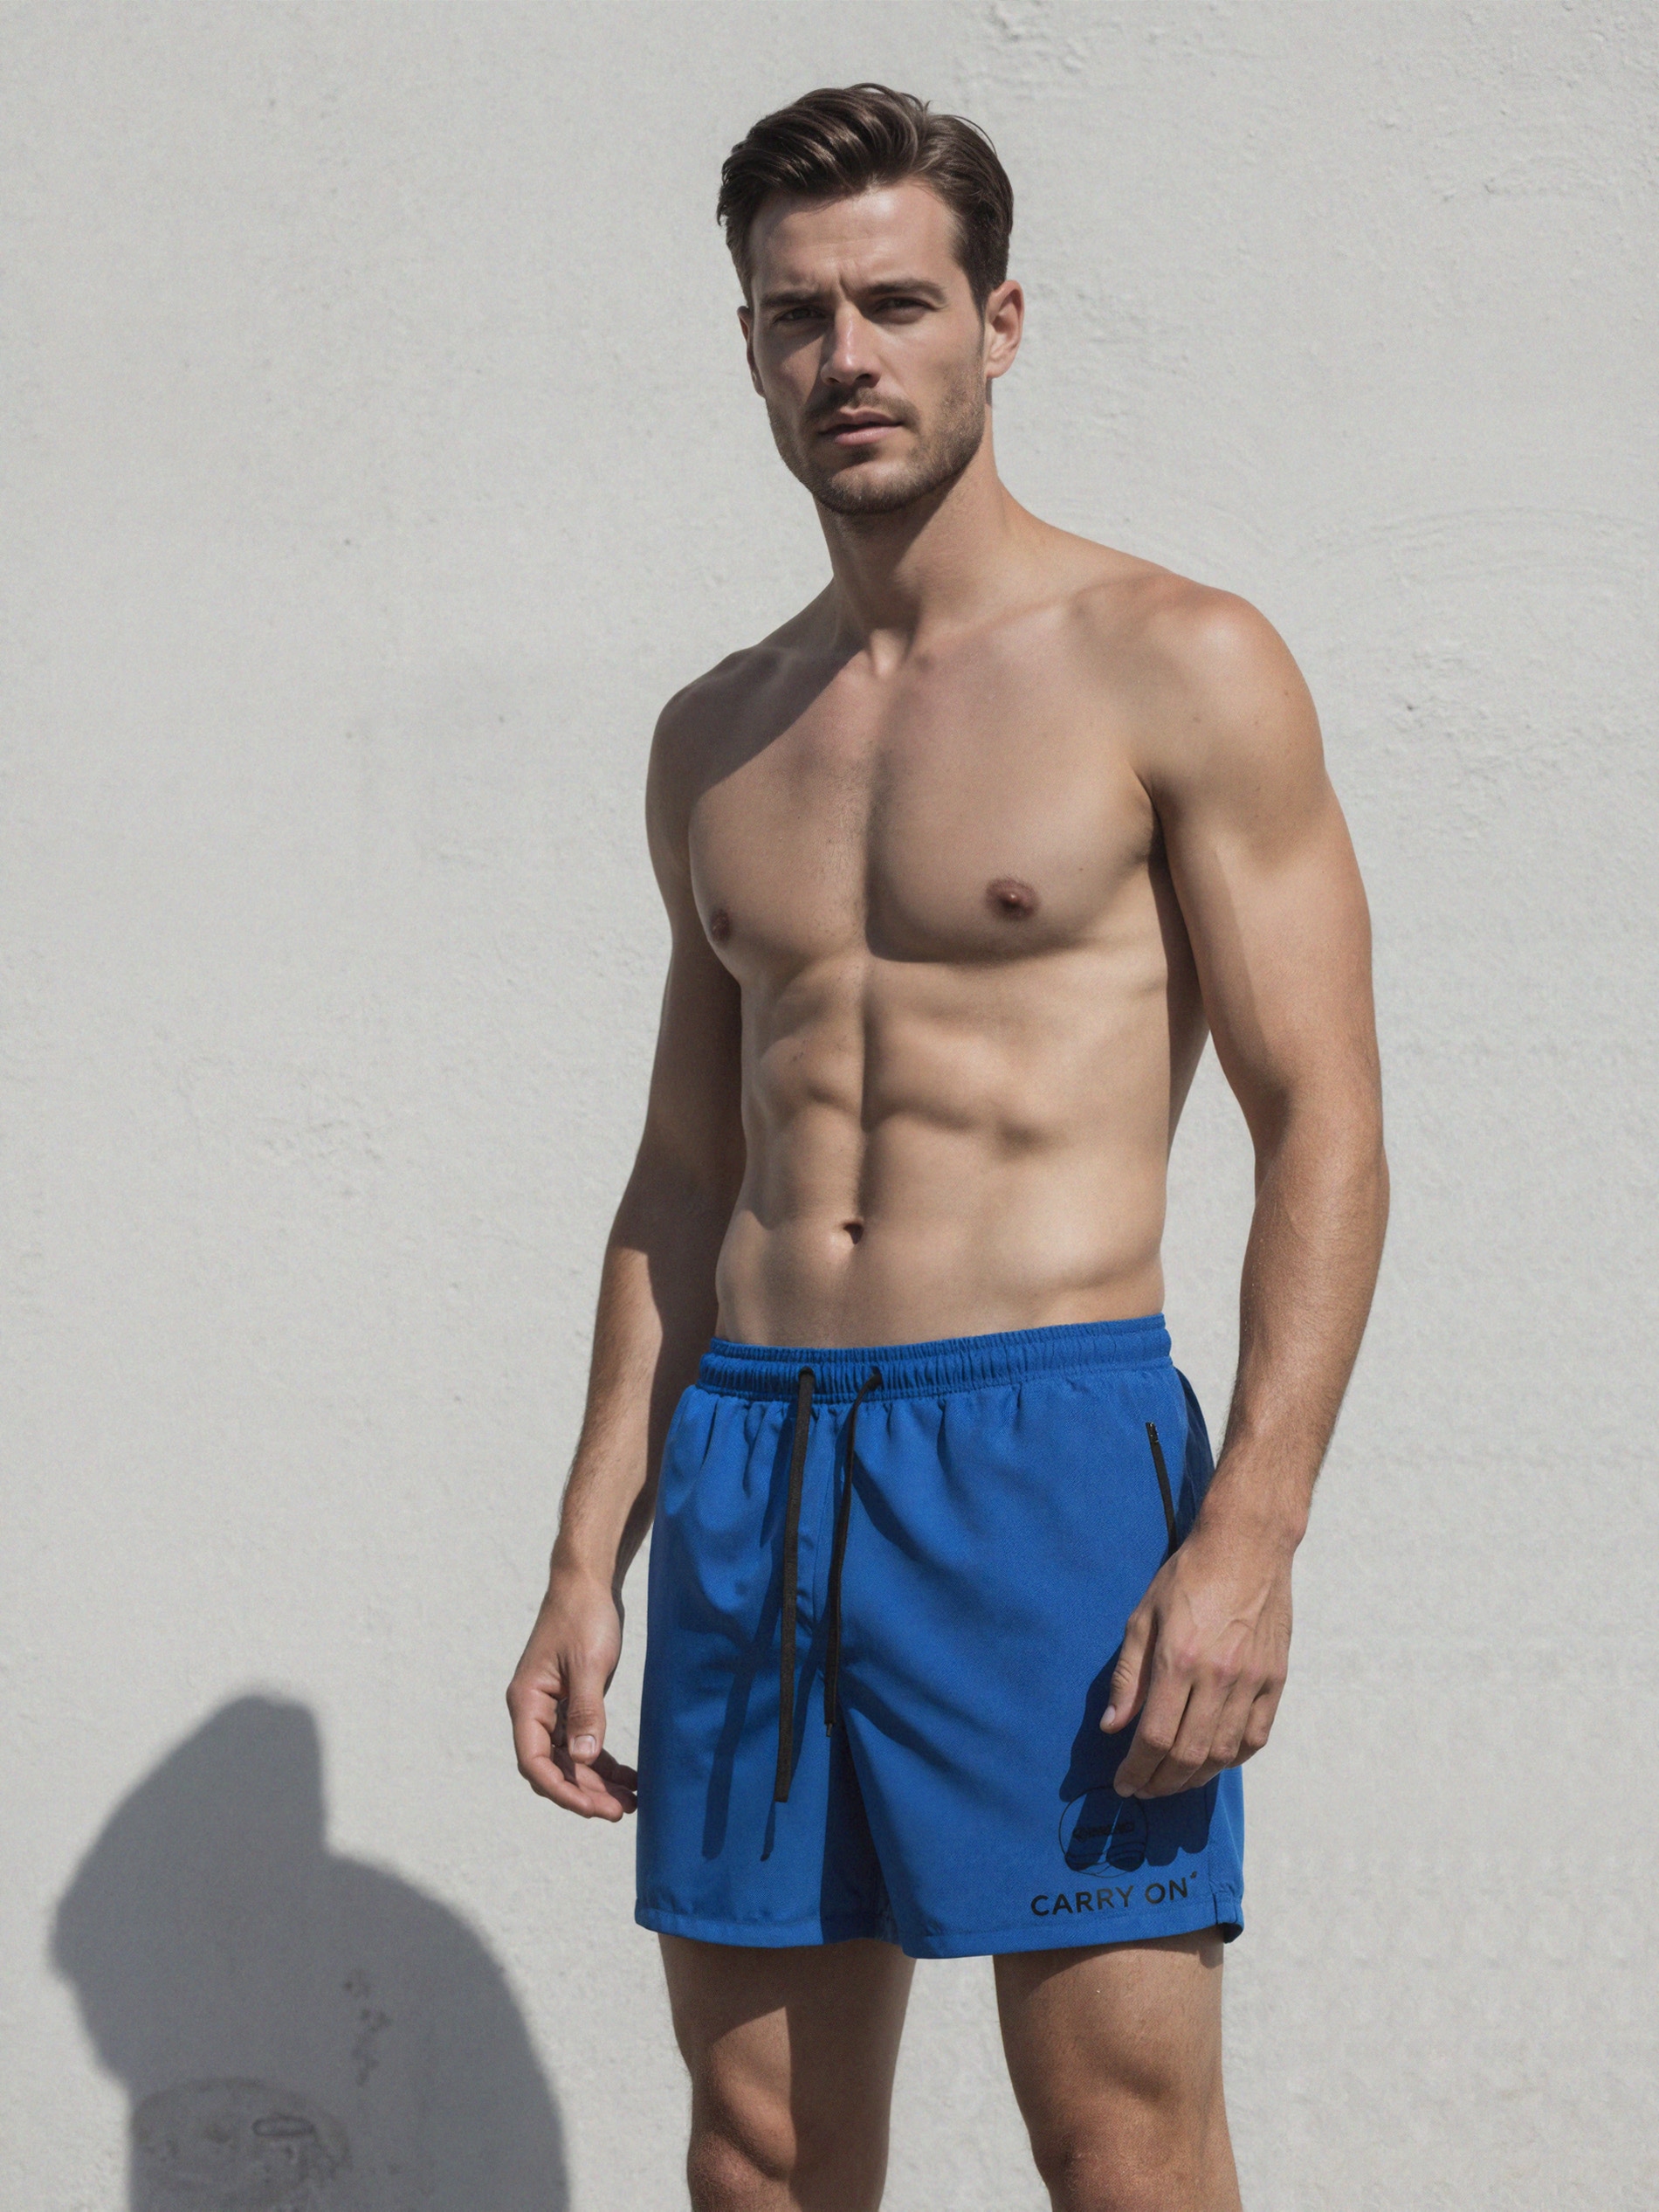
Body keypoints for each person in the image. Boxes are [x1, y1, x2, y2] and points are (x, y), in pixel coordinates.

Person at [507, 82, 1387, 2212]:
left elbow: (1324, 1127)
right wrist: (584, 1555)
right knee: (759, 2148)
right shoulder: (717, 732)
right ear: (747, 347)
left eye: (895, 304)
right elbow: (682, 1176)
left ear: (997, 321)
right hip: (756, 1463)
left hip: (1042, 1456)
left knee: (1118, 2142)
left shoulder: (1174, 662)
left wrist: (1250, 1533)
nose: (847, 357)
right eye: (796, 315)